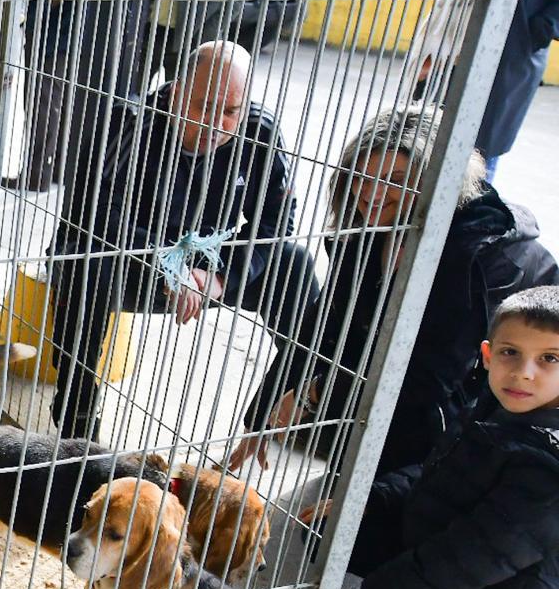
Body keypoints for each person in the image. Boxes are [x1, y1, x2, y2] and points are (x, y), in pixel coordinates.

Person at [229, 106, 559, 475]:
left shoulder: (479, 254)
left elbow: (429, 378)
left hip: (502, 399)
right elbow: (328, 323)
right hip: (424, 387)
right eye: (362, 177)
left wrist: (316, 394)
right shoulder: (367, 229)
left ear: (436, 183)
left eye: (395, 179)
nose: (370, 193)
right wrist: (262, 417)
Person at [46, 41, 316, 440]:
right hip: (129, 258)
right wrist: (170, 265)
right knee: (87, 265)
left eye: (230, 112)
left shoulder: (259, 131)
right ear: (175, 93)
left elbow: (277, 221)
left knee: (294, 265)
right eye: (203, 107)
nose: (215, 124)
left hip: (208, 267)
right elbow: (96, 218)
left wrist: (220, 275)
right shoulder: (131, 123)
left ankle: (296, 401)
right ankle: (77, 415)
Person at [322, 286, 559, 589]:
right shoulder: (495, 402)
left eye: (551, 358)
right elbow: (437, 473)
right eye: (511, 352)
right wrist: (369, 499)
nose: (524, 373)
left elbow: (469, 558)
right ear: (488, 355)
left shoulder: (549, 468)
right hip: (447, 541)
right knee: (334, 528)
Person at [15, 0, 100, 192]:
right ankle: (55, 171)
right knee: (54, 101)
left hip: (55, 27)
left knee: (42, 100)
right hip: (61, 26)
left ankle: (36, 174)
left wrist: (36, 13)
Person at [474, 0, 559, 181]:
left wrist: (533, 32)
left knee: (482, 149)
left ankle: (465, 222)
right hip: (455, 44)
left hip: (512, 50)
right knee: (422, 134)